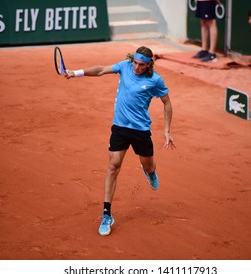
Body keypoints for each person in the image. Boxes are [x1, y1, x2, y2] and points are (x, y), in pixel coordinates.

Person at [64, 46, 175, 236]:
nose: (136, 67)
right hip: (120, 128)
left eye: (141, 65)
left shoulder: (155, 80)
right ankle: (107, 213)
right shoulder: (124, 66)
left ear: (148, 65)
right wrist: (75, 73)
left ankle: (150, 172)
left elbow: (167, 103)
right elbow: (100, 70)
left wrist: (167, 131)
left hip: (140, 130)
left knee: (148, 165)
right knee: (113, 166)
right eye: (135, 63)